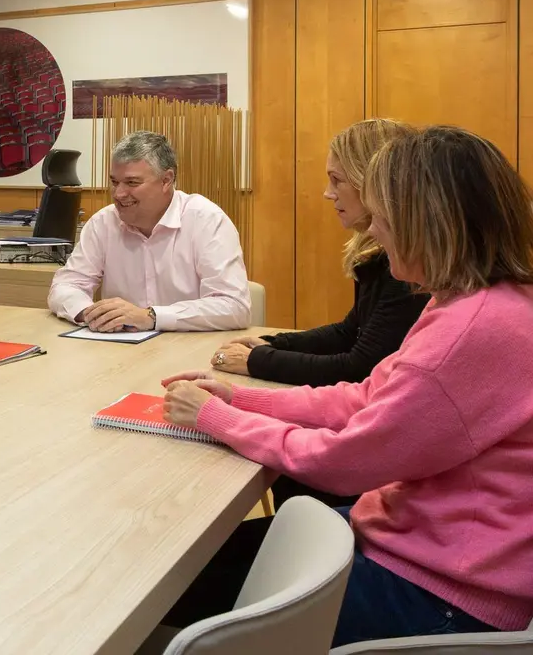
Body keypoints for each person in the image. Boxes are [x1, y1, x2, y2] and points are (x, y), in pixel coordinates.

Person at [160, 126, 533, 646]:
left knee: (173, 580)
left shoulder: (472, 329)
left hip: (438, 590)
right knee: (194, 561)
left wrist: (218, 419)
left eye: (380, 217)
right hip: (420, 547)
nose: (374, 232)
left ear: (422, 223)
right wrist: (242, 397)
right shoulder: (472, 301)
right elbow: (366, 395)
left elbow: (344, 461)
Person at [211, 119, 428, 388]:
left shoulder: (410, 267)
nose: (328, 193)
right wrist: (271, 345)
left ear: (373, 182)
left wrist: (258, 360)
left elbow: (360, 368)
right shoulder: (379, 253)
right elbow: (349, 332)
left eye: (337, 181)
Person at [47, 130, 250, 332]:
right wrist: (91, 313)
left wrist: (152, 317)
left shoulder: (206, 220)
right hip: (118, 352)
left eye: (132, 183)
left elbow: (234, 307)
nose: (118, 194)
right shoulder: (103, 222)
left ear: (166, 180)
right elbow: (65, 286)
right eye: (114, 182)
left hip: (189, 349)